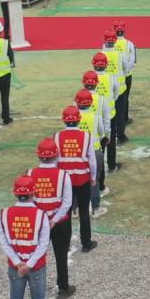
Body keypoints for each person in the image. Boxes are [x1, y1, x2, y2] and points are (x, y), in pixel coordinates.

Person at [0, 175, 55, 299]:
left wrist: (18, 262)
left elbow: (3, 240)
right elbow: (44, 243)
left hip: (15, 267)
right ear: (32, 193)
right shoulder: (41, 215)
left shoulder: (4, 214)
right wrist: (29, 264)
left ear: (15, 194)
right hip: (36, 266)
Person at [28, 138, 76, 299]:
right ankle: (63, 287)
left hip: (38, 222)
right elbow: (67, 202)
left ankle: (36, 287)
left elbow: (29, 201)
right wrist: (54, 219)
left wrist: (41, 218)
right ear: (56, 155)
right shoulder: (63, 175)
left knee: (37, 255)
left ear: (38, 156)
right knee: (61, 255)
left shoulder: (30, 174)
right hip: (60, 222)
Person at [55, 105, 99, 251]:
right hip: (82, 178)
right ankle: (86, 243)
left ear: (64, 121)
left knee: (65, 213)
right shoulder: (86, 136)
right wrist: (93, 176)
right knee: (84, 211)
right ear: (79, 120)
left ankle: (65, 244)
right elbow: (92, 160)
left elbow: (55, 161)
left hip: (64, 180)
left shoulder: (57, 137)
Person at [74, 88, 112, 217]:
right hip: (94, 151)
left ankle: (74, 209)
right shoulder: (95, 116)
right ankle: (96, 208)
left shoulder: (74, 117)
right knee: (94, 180)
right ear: (90, 103)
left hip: (78, 153)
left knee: (75, 180)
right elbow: (101, 132)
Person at [99, 27, 133, 145]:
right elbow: (126, 68)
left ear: (104, 40)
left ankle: (105, 136)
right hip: (120, 88)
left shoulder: (100, 54)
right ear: (115, 40)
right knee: (120, 113)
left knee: (104, 114)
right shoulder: (120, 54)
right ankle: (121, 136)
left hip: (105, 89)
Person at [113, 20, 136, 136]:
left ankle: (114, 118)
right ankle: (125, 118)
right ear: (124, 31)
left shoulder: (107, 45)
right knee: (125, 97)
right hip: (126, 76)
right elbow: (132, 62)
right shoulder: (129, 44)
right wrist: (124, 72)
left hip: (112, 76)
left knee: (113, 98)